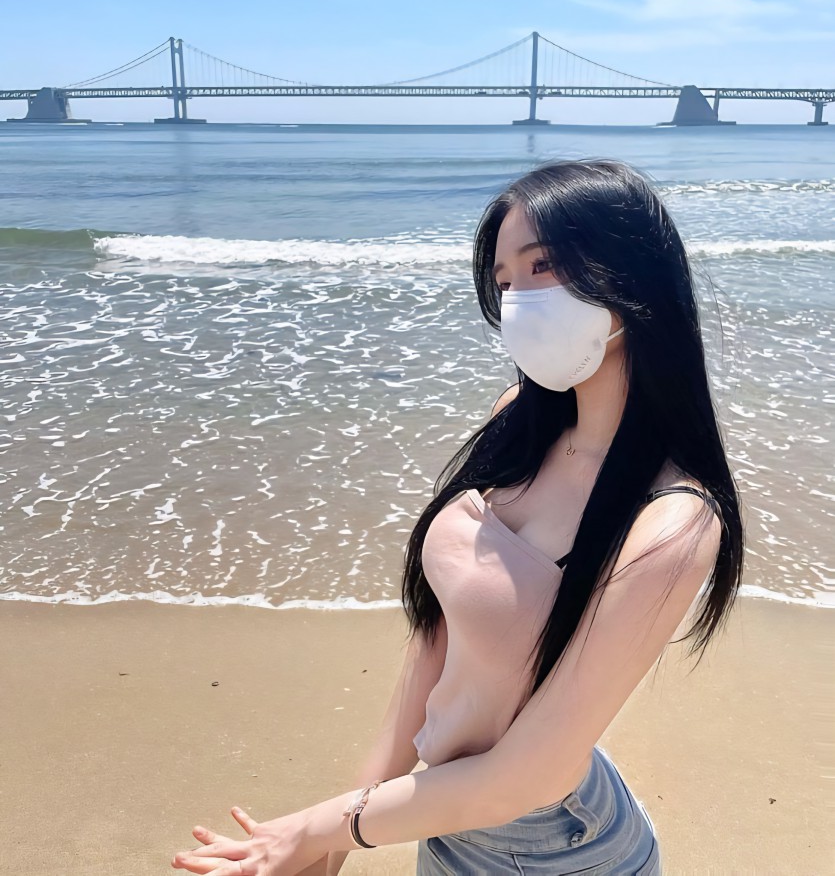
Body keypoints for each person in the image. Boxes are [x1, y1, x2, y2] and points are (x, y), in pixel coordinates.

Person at [171, 159, 744, 875]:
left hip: (552, 846)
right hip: (441, 811)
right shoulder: (521, 421)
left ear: (630, 274)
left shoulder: (672, 522)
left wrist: (319, 828)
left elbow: (526, 777)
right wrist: (335, 836)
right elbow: (436, 641)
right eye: (505, 282)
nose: (518, 300)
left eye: (542, 266)